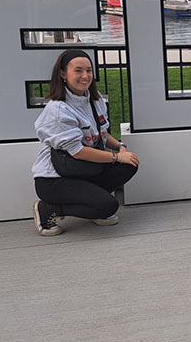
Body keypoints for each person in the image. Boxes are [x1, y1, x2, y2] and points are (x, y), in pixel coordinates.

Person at [31, 50, 139, 236]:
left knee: (129, 164)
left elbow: (102, 134)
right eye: (78, 71)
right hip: (56, 178)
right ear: (63, 74)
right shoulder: (58, 110)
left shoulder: (94, 101)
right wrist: (115, 156)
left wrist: (120, 147)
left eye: (89, 70)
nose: (85, 76)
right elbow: (78, 152)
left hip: (83, 169)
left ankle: (92, 201)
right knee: (109, 206)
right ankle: (48, 208)